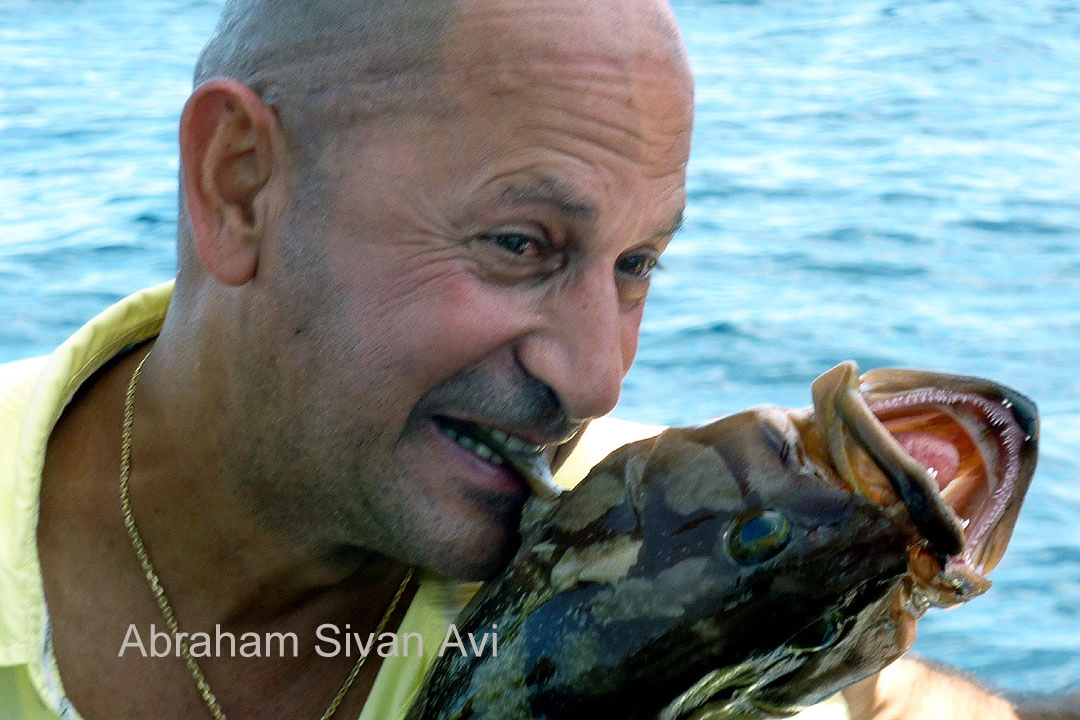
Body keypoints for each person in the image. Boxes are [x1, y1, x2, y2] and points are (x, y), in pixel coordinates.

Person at [0, 0, 1060, 718]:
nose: (598, 379)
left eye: (638, 263)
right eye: (519, 244)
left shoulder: (645, 540)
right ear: (240, 185)